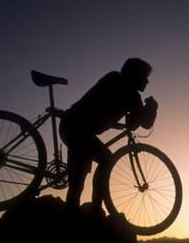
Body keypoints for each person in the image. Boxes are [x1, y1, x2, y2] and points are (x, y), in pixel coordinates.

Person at [59, 57, 158, 215]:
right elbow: (143, 123)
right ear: (136, 75)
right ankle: (94, 210)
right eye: (145, 77)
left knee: (82, 173)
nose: (147, 81)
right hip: (78, 129)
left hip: (72, 125)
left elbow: (132, 122)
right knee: (104, 161)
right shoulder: (129, 93)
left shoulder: (114, 79)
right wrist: (152, 107)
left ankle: (88, 211)